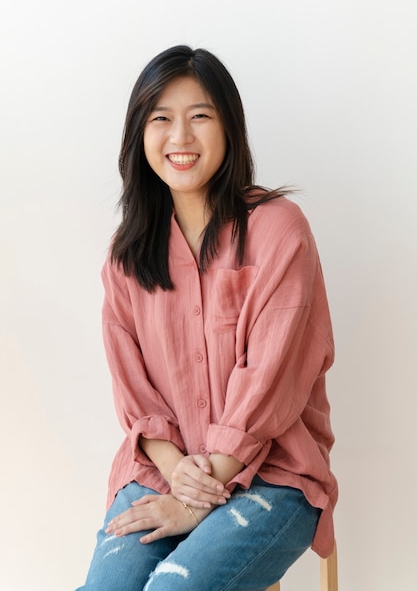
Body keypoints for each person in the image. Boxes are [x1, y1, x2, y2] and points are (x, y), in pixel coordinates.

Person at [76, 45, 337, 591]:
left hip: (274, 475)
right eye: (161, 119)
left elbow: (269, 383)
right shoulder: (127, 257)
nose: (181, 138)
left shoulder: (279, 230)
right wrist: (179, 480)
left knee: (173, 588)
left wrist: (198, 502)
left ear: (230, 127)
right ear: (139, 135)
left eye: (200, 117)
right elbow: (136, 396)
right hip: (161, 471)